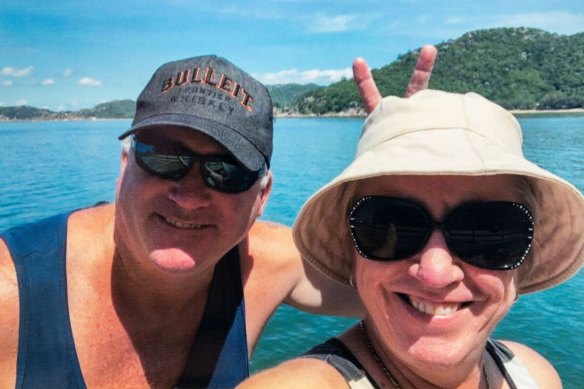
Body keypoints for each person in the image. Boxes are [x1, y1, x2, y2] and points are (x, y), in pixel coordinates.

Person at [0, 50, 436, 388]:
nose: (189, 197)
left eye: (226, 172)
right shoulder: (13, 292)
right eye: (165, 159)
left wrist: (406, 181)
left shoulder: (260, 264)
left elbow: (415, 290)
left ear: (261, 196)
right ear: (123, 166)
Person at [237, 89, 584, 388]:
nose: (436, 272)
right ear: (351, 250)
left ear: (526, 257)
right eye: (392, 226)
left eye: (488, 232)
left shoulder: (534, 375)